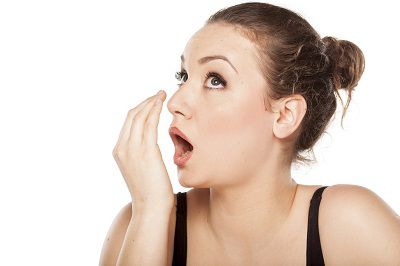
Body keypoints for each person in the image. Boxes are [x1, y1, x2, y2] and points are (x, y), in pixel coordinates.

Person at [99, 2, 400, 265]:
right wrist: (150, 210)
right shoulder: (136, 226)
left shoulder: (350, 225)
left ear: (285, 115)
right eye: (184, 77)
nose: (176, 103)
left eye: (215, 80)